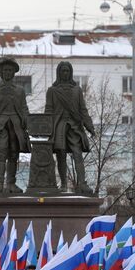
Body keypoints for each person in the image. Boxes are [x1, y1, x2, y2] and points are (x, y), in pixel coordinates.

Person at [0, 56, 30, 193]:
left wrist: (29, 123)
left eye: (10, 70)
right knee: (1, 153)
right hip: (0, 126)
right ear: (1, 72)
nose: (8, 72)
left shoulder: (20, 91)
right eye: (5, 70)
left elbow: (24, 109)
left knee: (14, 154)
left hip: (16, 127)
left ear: (14, 73)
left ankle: (11, 184)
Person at [44, 61, 95, 194]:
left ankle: (82, 183)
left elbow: (83, 110)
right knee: (61, 155)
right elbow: (48, 111)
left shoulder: (77, 90)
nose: (65, 73)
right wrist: (45, 129)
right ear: (59, 73)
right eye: (63, 71)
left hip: (74, 127)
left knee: (77, 154)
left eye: (67, 71)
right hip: (59, 126)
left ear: (70, 73)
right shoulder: (52, 91)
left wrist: (90, 127)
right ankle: (63, 184)